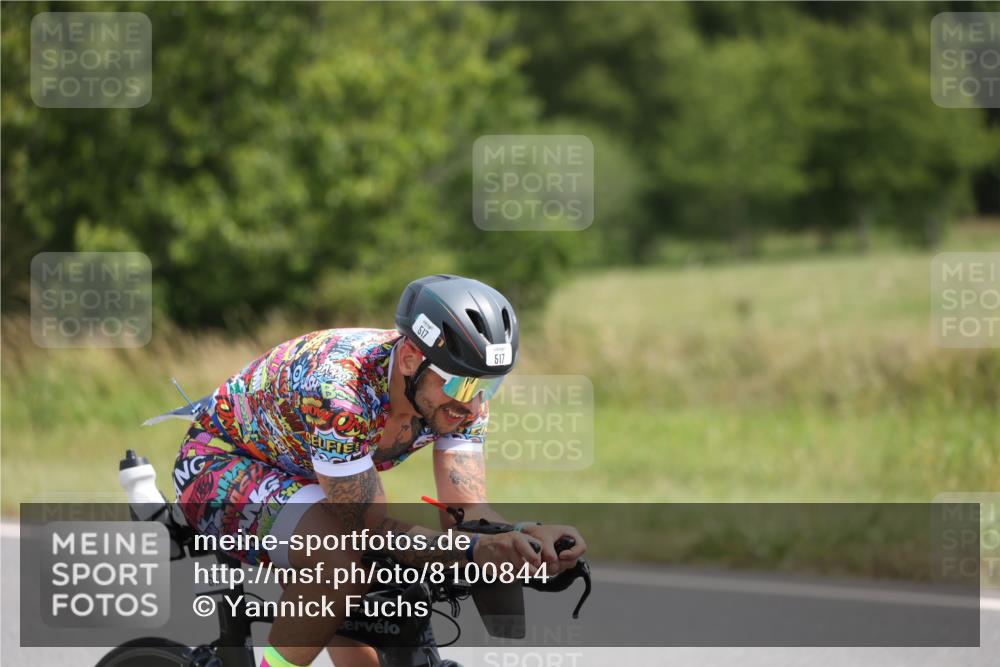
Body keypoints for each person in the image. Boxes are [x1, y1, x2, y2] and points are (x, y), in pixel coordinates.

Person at [171, 274, 587, 667]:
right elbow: (368, 531)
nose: (474, 406)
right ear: (409, 358)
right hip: (222, 463)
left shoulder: (457, 395)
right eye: (463, 387)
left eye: (488, 388)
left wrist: (524, 537)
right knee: (342, 563)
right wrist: (473, 552)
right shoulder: (340, 391)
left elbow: (464, 513)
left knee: (381, 600)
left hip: (307, 473)